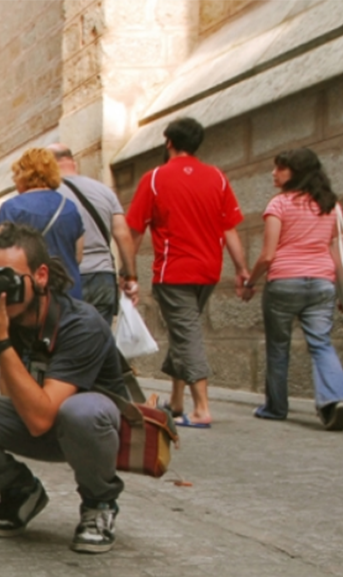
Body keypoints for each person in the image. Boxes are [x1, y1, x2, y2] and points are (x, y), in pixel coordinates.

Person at [0, 223, 130, 554]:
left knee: (79, 410)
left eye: (10, 278)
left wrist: (0, 338)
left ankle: (99, 503)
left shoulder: (80, 324)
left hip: (90, 432)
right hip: (37, 416)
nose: (1, 291)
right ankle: (20, 491)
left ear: (40, 276)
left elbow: (41, 418)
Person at [125, 117, 249, 428]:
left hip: (174, 271)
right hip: (209, 270)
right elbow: (230, 229)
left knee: (187, 335)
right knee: (184, 331)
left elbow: (134, 231)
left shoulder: (154, 178)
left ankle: (202, 409)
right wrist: (241, 269)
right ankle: (178, 401)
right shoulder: (217, 178)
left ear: (168, 142)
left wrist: (128, 273)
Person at [241, 147, 343, 431]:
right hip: (322, 283)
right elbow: (339, 251)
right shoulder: (331, 205)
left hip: (284, 283)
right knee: (321, 344)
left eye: (281, 168)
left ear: (297, 172)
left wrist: (250, 282)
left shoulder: (278, 205)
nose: (273, 173)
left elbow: (267, 255)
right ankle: (336, 399)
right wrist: (341, 291)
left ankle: (276, 408)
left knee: (278, 347)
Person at [47, 143, 138, 322]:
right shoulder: (105, 191)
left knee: (69, 338)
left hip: (67, 276)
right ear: (73, 163)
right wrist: (130, 276)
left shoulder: (49, 193)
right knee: (99, 340)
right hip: (103, 276)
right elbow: (123, 234)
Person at [0, 147, 85, 301]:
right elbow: (79, 255)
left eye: (16, 174)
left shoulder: (12, 208)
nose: (14, 180)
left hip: (27, 294)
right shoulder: (69, 206)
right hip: (67, 292)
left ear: (24, 175)